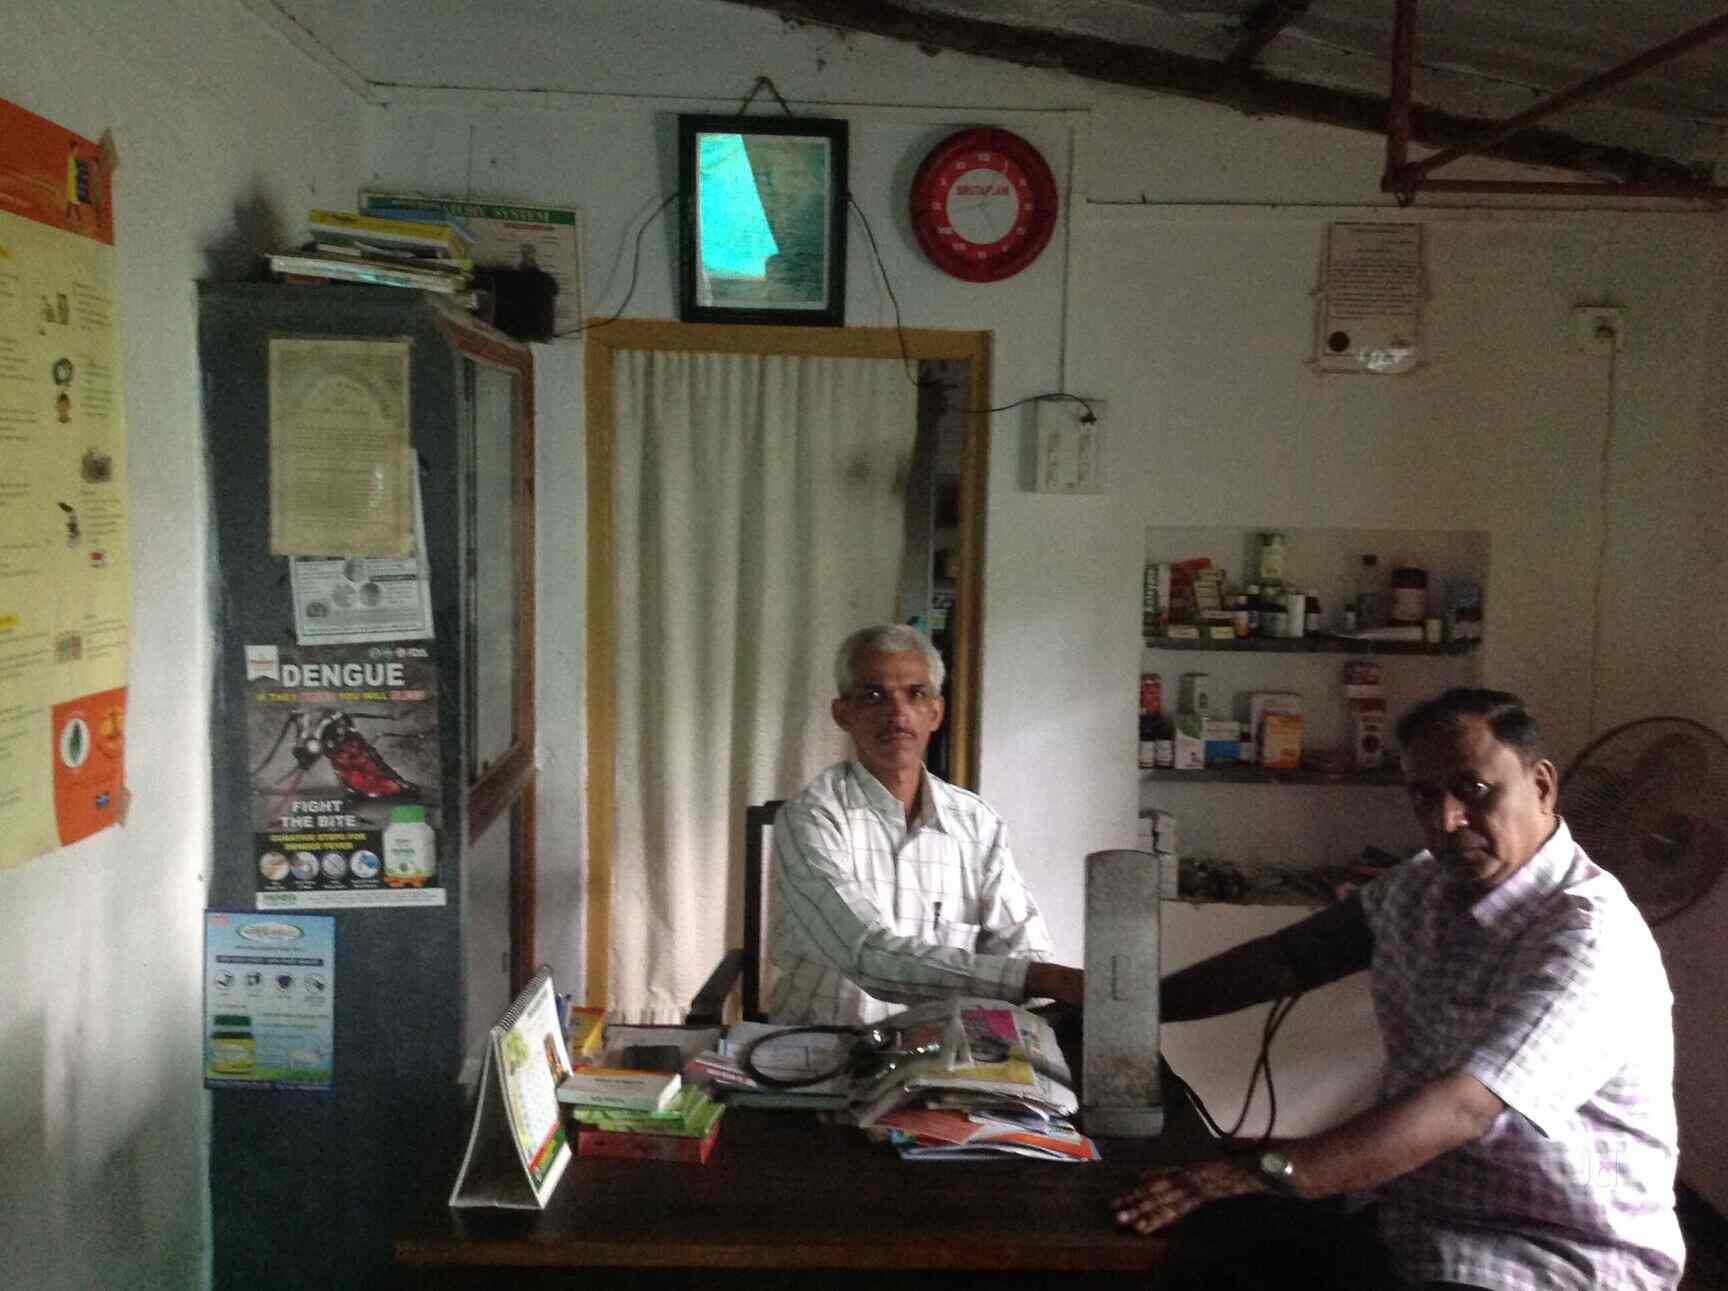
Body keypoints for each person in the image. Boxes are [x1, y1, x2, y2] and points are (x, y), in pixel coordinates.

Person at [1114, 687, 1684, 1291]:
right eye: (1424, 795)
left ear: (1541, 785)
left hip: (1548, 1253)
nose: (1446, 820)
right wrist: (1124, 1007)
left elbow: (1464, 1108)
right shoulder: (1421, 886)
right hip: (1413, 1216)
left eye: (1473, 790)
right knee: (1183, 1247)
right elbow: (1288, 959)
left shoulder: (1590, 938)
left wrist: (1256, 1172)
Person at [766, 623, 1084, 1025]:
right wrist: (1046, 979)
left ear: (936, 712)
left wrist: (1043, 1013)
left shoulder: (976, 823)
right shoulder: (811, 817)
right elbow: (867, 955)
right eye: (874, 696)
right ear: (843, 714)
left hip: (945, 1047)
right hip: (826, 1041)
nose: (897, 713)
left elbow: (1021, 943)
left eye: (915, 694)